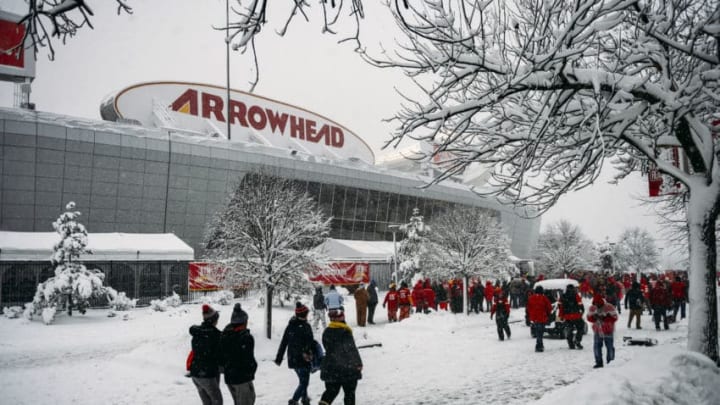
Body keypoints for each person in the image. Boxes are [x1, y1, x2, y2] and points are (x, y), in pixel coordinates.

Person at [318, 309, 363, 405]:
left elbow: (327, 347)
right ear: (340, 318)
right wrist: (358, 363)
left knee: (330, 392)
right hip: (347, 367)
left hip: (330, 367)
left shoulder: (326, 331)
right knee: (349, 393)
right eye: (342, 316)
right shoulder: (345, 331)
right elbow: (351, 349)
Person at [275, 302, 315, 405]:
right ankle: (294, 401)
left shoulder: (290, 326)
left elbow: (284, 342)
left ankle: (305, 399)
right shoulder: (306, 326)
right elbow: (310, 342)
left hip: (292, 358)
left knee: (303, 380)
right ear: (304, 314)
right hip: (303, 358)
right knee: (304, 382)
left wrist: (279, 358)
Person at [220, 303, 257, 405]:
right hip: (241, 377)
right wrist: (251, 369)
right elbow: (248, 359)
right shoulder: (245, 338)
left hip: (230, 377)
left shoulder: (225, 335)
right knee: (248, 400)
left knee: (241, 400)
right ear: (244, 322)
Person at [189, 304, 223, 405]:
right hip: (207, 374)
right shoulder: (215, 335)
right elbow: (219, 356)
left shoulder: (197, 332)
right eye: (217, 319)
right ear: (213, 320)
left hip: (195, 373)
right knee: (217, 401)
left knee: (207, 402)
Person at [587, 294, 618, 368]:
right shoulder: (592, 308)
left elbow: (615, 317)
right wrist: (594, 318)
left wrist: (605, 318)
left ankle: (610, 362)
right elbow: (588, 317)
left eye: (598, 304)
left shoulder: (609, 307)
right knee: (597, 347)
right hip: (597, 330)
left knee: (609, 346)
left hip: (608, 329)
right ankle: (599, 362)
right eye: (595, 304)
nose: (597, 305)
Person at [558, 284, 585, 350]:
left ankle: (570, 344)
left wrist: (561, 315)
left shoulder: (563, 296)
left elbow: (560, 306)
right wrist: (582, 310)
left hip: (567, 316)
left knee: (569, 329)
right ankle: (577, 340)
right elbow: (580, 304)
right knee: (580, 327)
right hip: (576, 315)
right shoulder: (576, 295)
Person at [527, 285, 552, 352]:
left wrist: (530, 315)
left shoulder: (531, 298)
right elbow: (549, 307)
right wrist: (548, 314)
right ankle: (539, 345)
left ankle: (539, 345)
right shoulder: (544, 298)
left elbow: (528, 308)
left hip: (534, 317)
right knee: (540, 332)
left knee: (538, 331)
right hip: (542, 317)